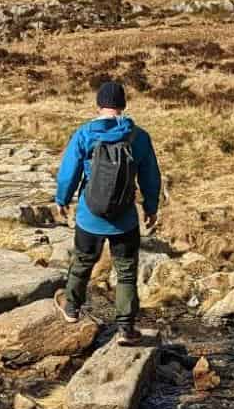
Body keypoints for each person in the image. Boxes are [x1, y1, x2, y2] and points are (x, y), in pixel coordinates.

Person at [54, 79, 162, 340]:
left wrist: (62, 199)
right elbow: (150, 176)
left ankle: (71, 308)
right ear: (123, 105)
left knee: (82, 261)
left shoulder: (84, 134)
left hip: (89, 215)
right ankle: (126, 327)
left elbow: (68, 174)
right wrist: (150, 207)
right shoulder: (139, 136)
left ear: (99, 104)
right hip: (125, 218)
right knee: (125, 272)